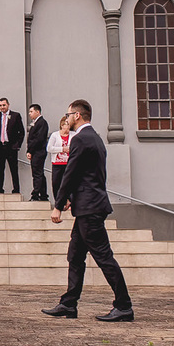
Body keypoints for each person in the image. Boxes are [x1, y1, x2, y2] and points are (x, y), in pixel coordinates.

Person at [44, 99, 134, 322]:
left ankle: (124, 306)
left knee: (104, 257)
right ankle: (68, 304)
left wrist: (59, 204)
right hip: (88, 204)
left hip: (90, 208)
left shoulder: (81, 139)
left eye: (68, 115)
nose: (65, 119)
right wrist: (72, 199)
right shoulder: (95, 138)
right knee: (75, 255)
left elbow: (71, 173)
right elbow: (88, 175)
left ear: (77, 115)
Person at [0, 97, 24, 194]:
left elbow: (21, 132)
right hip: (0, 146)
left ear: (8, 105)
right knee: (0, 170)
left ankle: (16, 189)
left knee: (14, 169)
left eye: (4, 105)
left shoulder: (15, 115)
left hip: (11, 146)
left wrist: (17, 145)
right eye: (0, 105)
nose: (2, 107)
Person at [26, 104, 49, 202]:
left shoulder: (42, 123)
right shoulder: (36, 123)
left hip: (38, 152)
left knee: (37, 174)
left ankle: (35, 194)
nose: (29, 114)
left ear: (37, 111)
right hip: (36, 151)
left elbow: (38, 139)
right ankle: (43, 194)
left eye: (31, 111)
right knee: (39, 173)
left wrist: (30, 150)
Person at [47, 115, 72, 197]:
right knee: (56, 183)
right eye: (66, 126)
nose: (68, 129)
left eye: (69, 127)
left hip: (69, 163)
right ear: (62, 125)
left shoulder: (73, 135)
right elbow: (49, 148)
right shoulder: (55, 135)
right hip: (57, 164)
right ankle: (58, 201)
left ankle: (69, 201)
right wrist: (62, 149)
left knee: (69, 183)